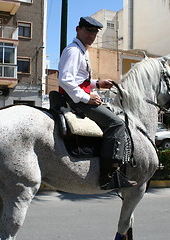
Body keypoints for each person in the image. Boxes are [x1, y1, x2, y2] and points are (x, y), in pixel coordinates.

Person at [58, 16, 137, 190]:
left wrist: (98, 84)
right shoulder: (73, 51)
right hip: (77, 99)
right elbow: (65, 80)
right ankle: (108, 176)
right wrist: (87, 98)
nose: (91, 35)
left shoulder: (82, 51)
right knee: (116, 124)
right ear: (78, 29)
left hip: (79, 95)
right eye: (88, 30)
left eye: (95, 32)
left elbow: (80, 80)